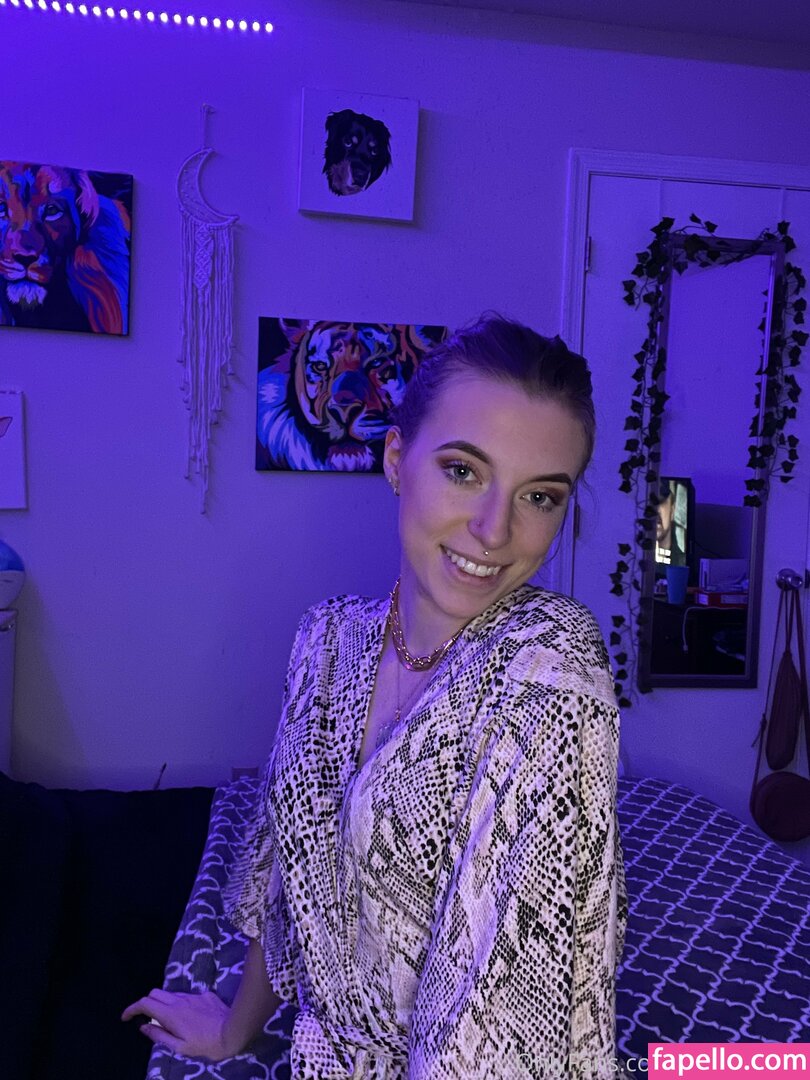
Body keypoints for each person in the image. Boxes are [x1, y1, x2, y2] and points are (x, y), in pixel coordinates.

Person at [123, 313, 627, 1078]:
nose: (494, 529)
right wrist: (233, 1026)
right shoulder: (327, 641)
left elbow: (493, 1028)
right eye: (463, 471)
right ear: (397, 459)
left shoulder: (551, 669)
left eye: (540, 497)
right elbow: (290, 872)